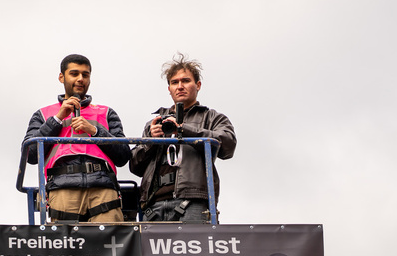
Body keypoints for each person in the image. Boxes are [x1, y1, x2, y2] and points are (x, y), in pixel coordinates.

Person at [22, 54, 131, 222]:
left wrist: (94, 131)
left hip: (102, 187)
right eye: (74, 74)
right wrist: (57, 119)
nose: (81, 79)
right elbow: (30, 154)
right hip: (62, 187)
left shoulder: (106, 112)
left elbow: (123, 155)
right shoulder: (44, 114)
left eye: (85, 75)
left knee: (110, 244)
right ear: (61, 77)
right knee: (64, 245)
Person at [130, 54, 236, 222]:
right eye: (174, 82)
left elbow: (228, 146)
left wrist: (184, 130)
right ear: (169, 89)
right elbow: (134, 166)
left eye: (185, 81)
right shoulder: (155, 123)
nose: (180, 86)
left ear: (198, 85)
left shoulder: (212, 117)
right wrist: (151, 140)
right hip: (153, 205)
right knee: (150, 249)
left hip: (194, 201)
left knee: (197, 248)